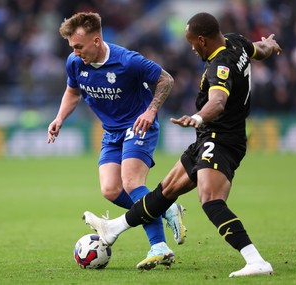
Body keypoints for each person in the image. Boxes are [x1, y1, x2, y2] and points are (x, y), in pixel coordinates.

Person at [83, 12, 282, 276]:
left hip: (221, 139)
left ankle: (255, 260)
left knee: (211, 200)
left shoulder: (218, 65)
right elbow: (261, 49)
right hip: (208, 138)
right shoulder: (237, 42)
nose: (191, 47)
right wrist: (270, 44)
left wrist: (198, 117)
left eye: (192, 42)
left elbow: (218, 101)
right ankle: (114, 228)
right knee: (164, 193)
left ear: (202, 40)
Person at [47, 12, 186, 270]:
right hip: (111, 132)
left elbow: (166, 79)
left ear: (97, 41)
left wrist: (151, 111)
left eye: (79, 46)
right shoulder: (75, 63)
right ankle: (163, 207)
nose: (75, 52)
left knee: (132, 183)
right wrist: (59, 118)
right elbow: (72, 92)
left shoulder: (127, 61)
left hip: (138, 124)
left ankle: (159, 246)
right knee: (110, 190)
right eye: (72, 47)